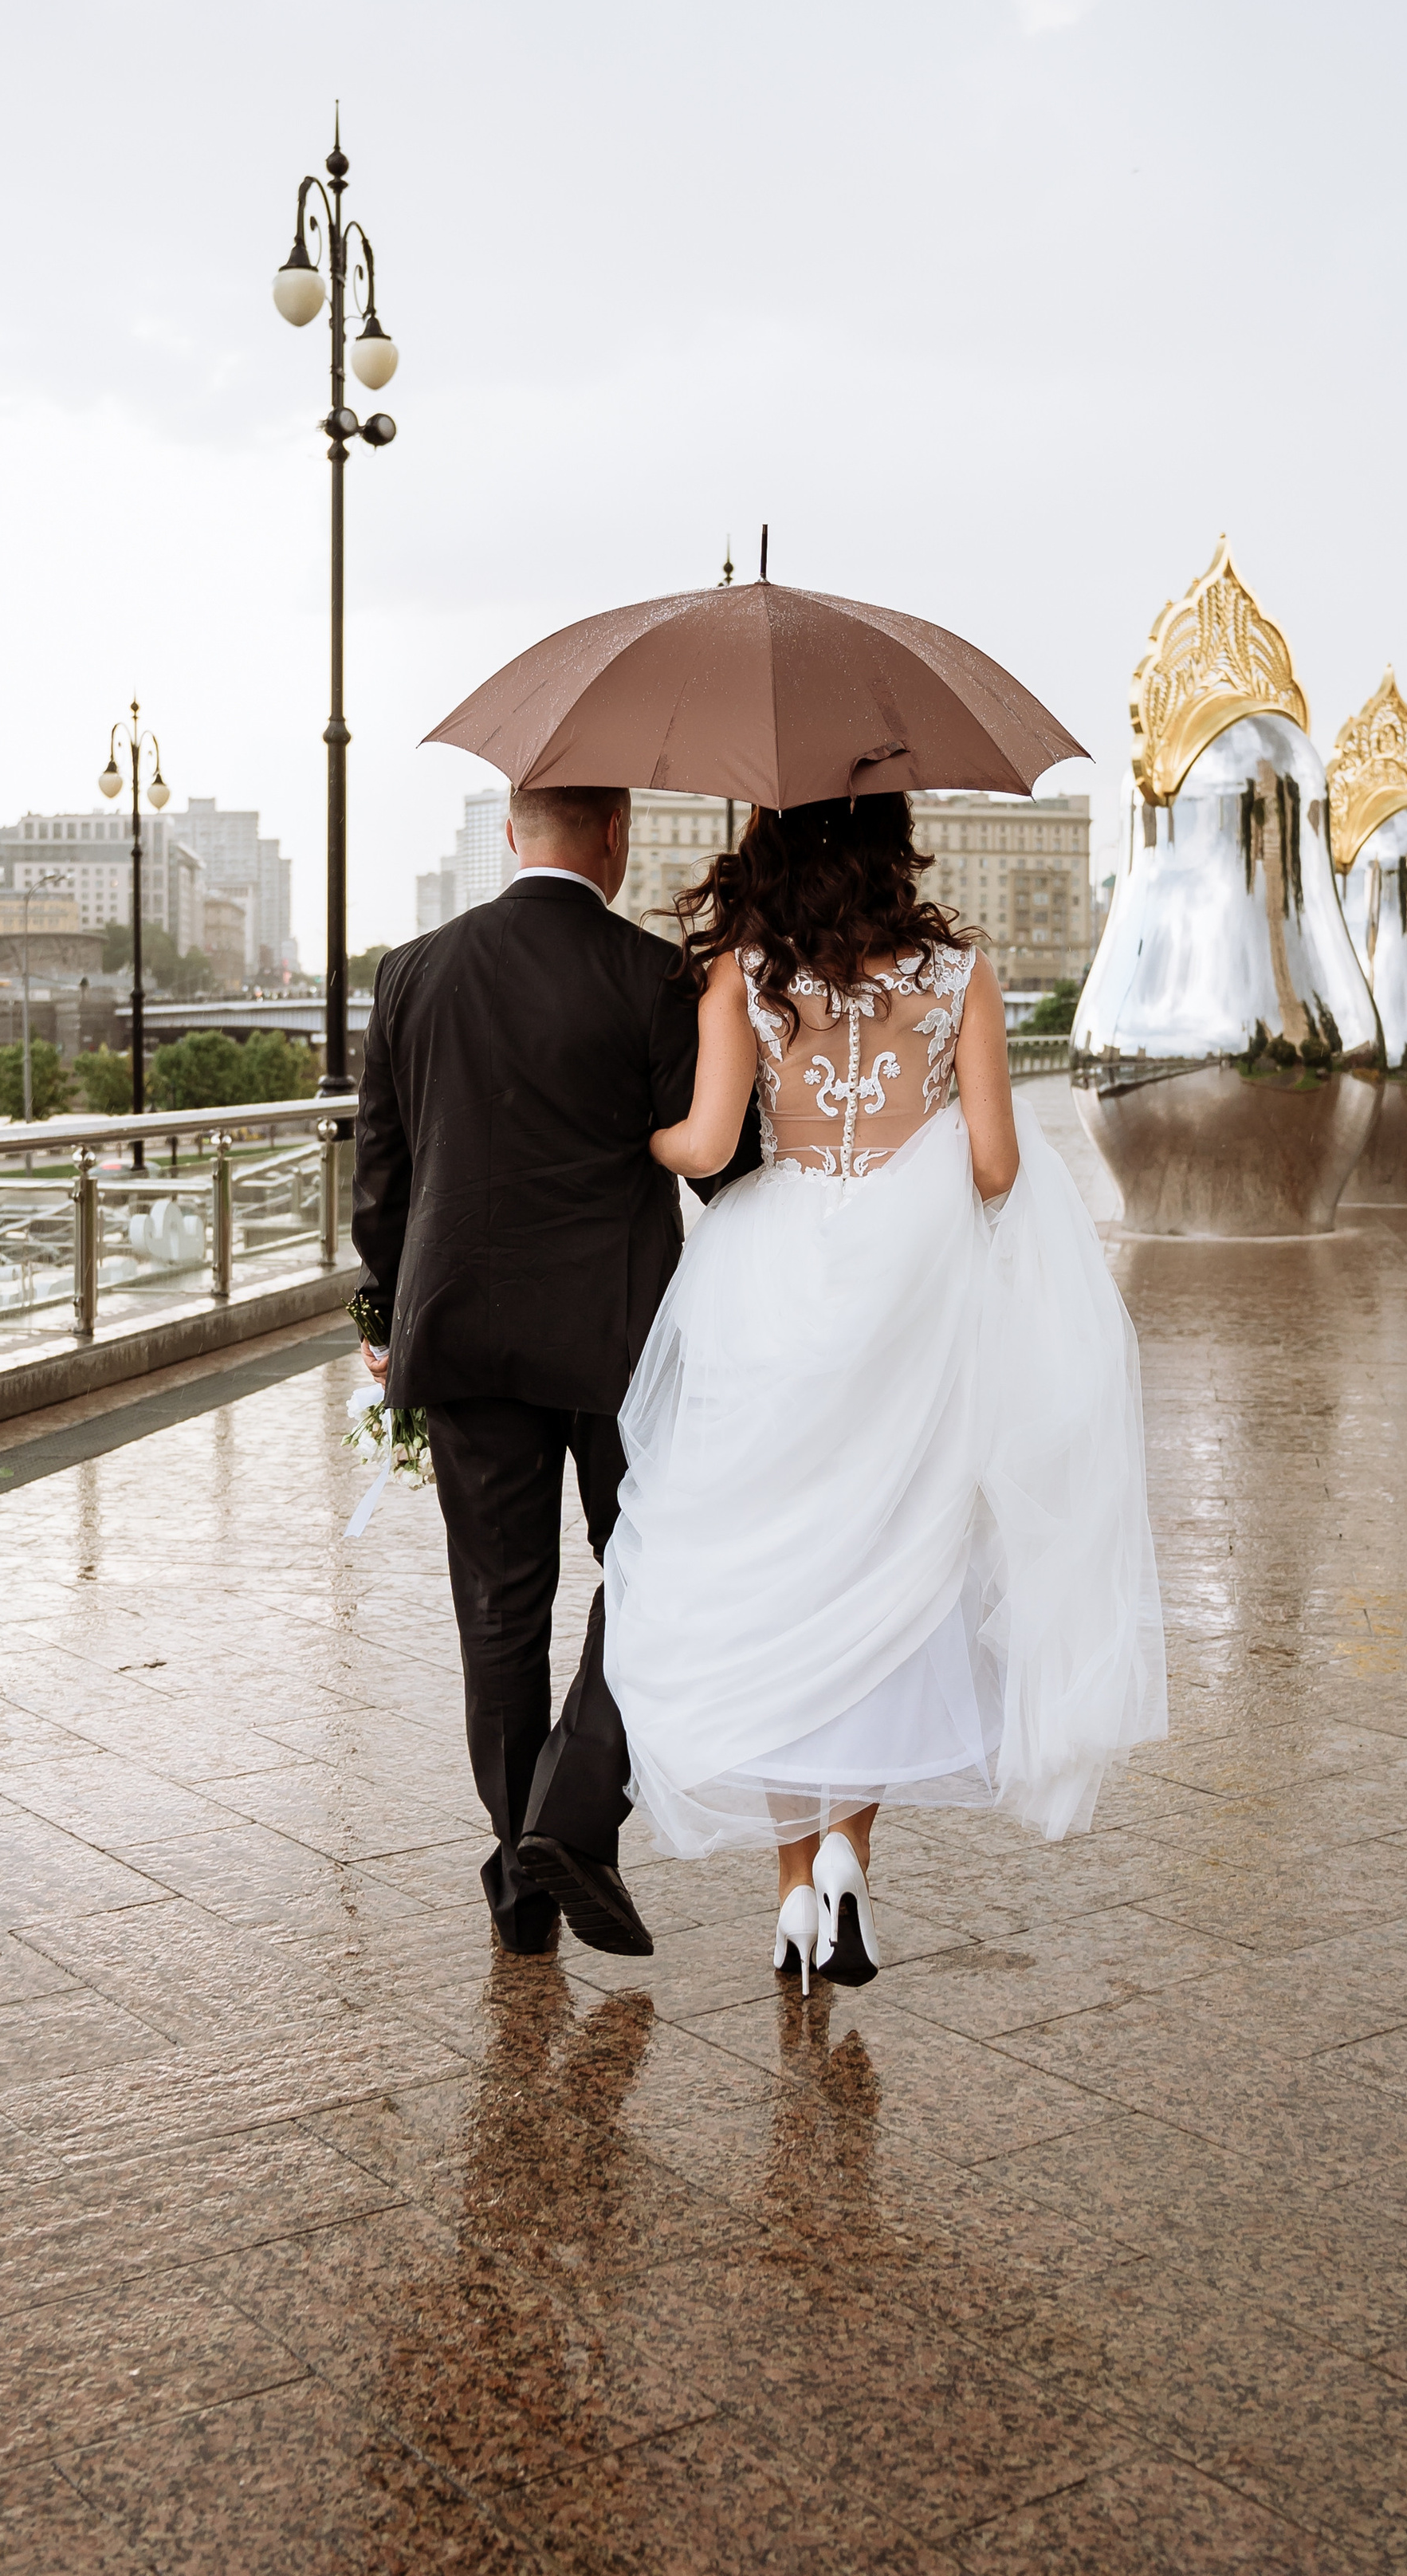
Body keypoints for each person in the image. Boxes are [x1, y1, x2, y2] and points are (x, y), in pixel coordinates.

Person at [603, 792, 1166, 1990]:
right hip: (910, 1299)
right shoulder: (957, 968)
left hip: (774, 1288)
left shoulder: (744, 971)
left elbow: (707, 1148)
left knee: (777, 1576)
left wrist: (630, 1140)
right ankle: (854, 1855)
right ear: (889, 837)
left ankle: (793, 1885)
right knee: (892, 1562)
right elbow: (1000, 1163)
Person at [352, 783, 754, 1961]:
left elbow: (383, 1171)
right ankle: (573, 1812)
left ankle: (520, 1875)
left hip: (465, 1336)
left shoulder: (412, 973)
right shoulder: (654, 979)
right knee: (658, 1568)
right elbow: (721, 1172)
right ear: (616, 836)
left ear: (513, 834)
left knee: (498, 1610)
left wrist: (384, 1314)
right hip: (620, 1345)